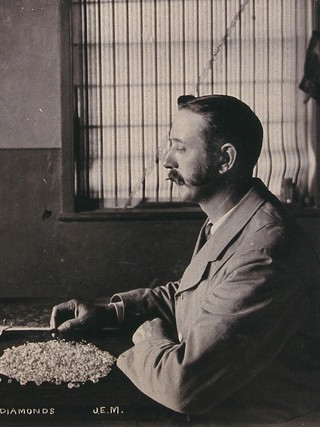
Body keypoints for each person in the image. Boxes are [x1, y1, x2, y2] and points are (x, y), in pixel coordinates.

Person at [51, 95, 320, 423]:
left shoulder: (267, 252)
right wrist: (113, 312)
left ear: (225, 159)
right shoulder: (231, 218)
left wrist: (150, 342)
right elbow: (196, 292)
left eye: (180, 148)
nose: (167, 160)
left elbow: (183, 387)